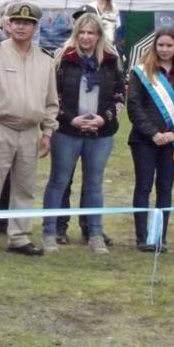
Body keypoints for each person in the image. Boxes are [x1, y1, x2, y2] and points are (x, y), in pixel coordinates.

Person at [0, 1, 58, 258]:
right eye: (17, 22)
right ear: (7, 24)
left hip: (31, 131)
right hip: (0, 127)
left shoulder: (45, 59)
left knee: (25, 186)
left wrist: (48, 132)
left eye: (27, 23)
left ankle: (19, 236)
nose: (21, 27)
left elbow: (51, 100)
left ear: (35, 27)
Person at [42, 13, 125, 255]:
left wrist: (105, 117)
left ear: (98, 35)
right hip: (67, 130)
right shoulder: (63, 59)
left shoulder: (110, 60)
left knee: (94, 184)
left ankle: (95, 233)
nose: (86, 37)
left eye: (91, 32)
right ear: (75, 34)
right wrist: (70, 119)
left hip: (101, 133)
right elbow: (53, 95)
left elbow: (120, 95)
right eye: (82, 32)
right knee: (59, 181)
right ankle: (50, 231)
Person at [127, 27, 174, 251]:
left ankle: (159, 237)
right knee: (144, 186)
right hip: (144, 140)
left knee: (165, 188)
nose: (164, 50)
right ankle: (142, 237)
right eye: (161, 45)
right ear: (154, 46)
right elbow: (134, 106)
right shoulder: (141, 72)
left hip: (172, 141)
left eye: (169, 46)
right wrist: (153, 133)